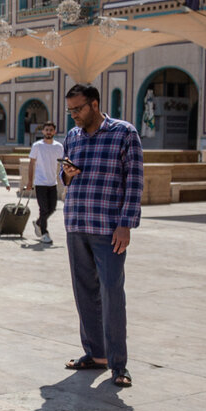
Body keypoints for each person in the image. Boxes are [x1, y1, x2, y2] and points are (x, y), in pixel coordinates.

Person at [61, 83, 143, 388]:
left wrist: (126, 224)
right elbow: (66, 177)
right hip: (77, 224)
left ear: (94, 104)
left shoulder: (124, 133)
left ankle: (119, 364)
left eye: (78, 109)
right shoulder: (72, 136)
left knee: (111, 294)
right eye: (70, 110)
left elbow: (134, 182)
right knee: (84, 293)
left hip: (108, 229)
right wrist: (66, 174)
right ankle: (95, 354)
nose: (74, 116)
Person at [24, 121, 63, 244]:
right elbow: (31, 163)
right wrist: (30, 181)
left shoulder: (58, 147)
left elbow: (63, 163)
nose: (49, 132)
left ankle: (39, 223)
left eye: (51, 130)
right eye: (47, 130)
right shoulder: (37, 145)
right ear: (43, 131)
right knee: (44, 208)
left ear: (54, 132)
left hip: (52, 183)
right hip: (40, 183)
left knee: (52, 208)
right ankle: (44, 233)